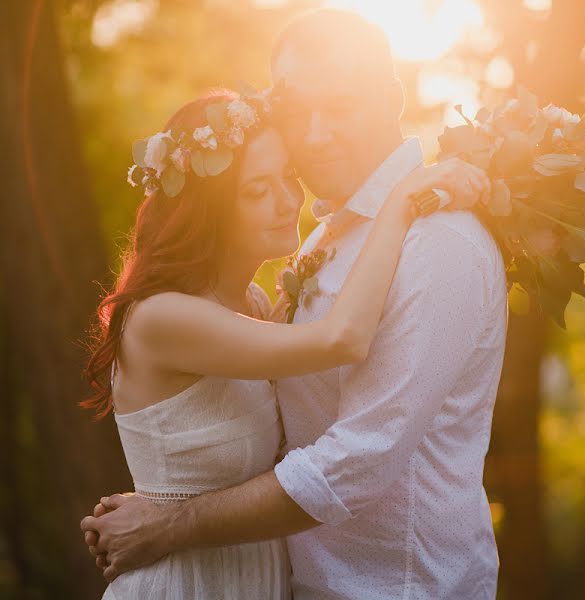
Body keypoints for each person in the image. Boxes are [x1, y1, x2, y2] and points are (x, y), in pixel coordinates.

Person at [83, 9, 507, 599]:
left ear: (392, 98)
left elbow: (357, 458)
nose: (312, 136)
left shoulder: (438, 242)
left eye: (338, 107)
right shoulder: (320, 243)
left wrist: (175, 519)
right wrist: (167, 493)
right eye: (297, 113)